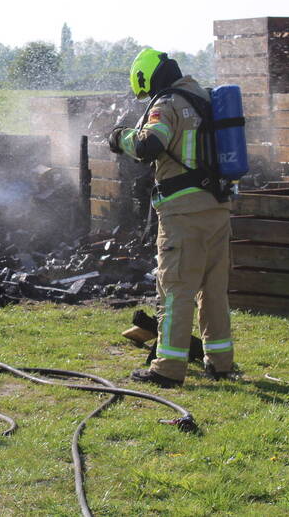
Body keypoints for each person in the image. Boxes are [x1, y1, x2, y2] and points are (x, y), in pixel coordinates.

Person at [108, 48, 234, 387]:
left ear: (147, 78)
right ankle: (220, 362)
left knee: (176, 289)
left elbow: (150, 144)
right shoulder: (205, 97)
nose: (148, 96)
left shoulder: (166, 104)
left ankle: (167, 369)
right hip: (218, 206)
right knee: (214, 288)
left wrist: (120, 138)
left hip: (183, 210)